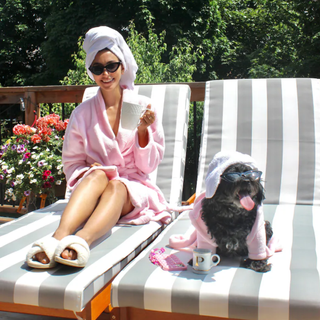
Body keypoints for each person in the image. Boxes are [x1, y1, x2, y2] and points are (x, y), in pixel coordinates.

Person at [26, 26, 172, 268]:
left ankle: (81, 241)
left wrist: (143, 131)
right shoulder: (82, 113)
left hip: (132, 190)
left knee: (116, 184)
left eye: (111, 66)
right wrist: (89, 171)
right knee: (97, 176)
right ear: (91, 72)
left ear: (122, 66)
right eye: (97, 68)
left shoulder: (141, 106)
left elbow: (148, 166)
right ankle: (58, 238)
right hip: (96, 189)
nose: (106, 74)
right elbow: (72, 162)